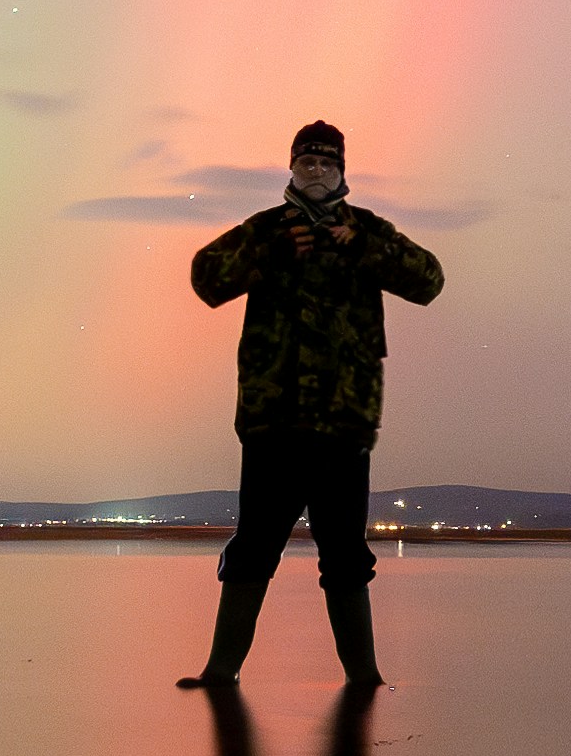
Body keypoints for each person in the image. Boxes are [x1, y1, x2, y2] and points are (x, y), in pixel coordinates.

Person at [177, 118, 442, 689]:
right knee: (253, 547)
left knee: (345, 553)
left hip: (344, 427)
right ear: (292, 168)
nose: (316, 170)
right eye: (306, 162)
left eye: (326, 163)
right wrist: (270, 252)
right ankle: (220, 671)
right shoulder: (267, 230)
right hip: (273, 423)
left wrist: (369, 249)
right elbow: (205, 278)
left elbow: (429, 281)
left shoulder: (366, 232)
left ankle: (364, 677)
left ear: (342, 171)